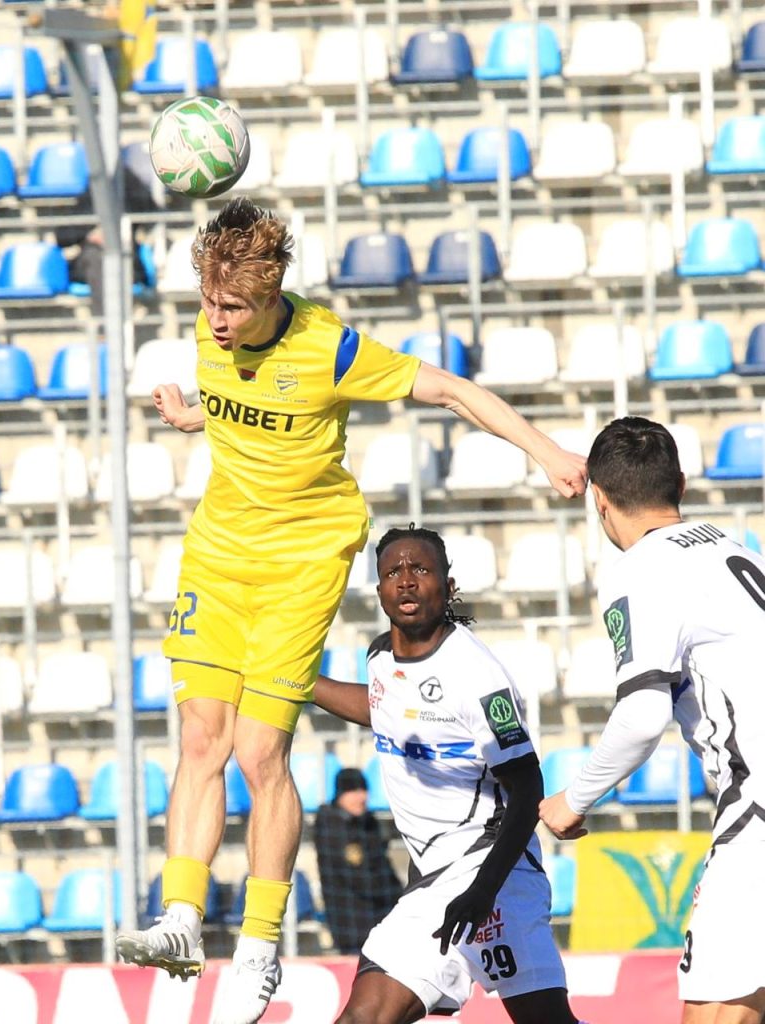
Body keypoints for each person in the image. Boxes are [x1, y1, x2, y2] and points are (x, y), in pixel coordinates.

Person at [114, 197, 587, 1024]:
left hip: (301, 561)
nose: (217, 321)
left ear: (272, 296)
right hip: (218, 553)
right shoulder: (210, 329)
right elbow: (242, 404)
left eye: (235, 307)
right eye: (210, 303)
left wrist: (547, 451)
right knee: (199, 739)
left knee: (258, 752)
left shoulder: (328, 348)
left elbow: (449, 390)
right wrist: (197, 413)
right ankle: (182, 917)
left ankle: (259, 948)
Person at [539, 416, 765, 1024]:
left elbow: (641, 717)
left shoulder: (640, 571)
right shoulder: (736, 549)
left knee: (716, 1011)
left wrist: (573, 800)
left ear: (599, 500)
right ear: (681, 486)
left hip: (759, 806)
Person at [313, 525, 586, 1024]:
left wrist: (484, 888)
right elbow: (384, 709)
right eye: (393, 572)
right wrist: (300, 682)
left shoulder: (476, 675)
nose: (406, 580)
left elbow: (527, 786)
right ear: (379, 590)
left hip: (496, 873)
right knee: (363, 1017)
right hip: (435, 883)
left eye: (420, 569)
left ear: (448, 585)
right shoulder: (379, 656)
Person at [314, 766, 403, 955]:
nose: (361, 797)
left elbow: (385, 870)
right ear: (341, 795)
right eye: (353, 791)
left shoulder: (369, 823)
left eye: (363, 790)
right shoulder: (331, 826)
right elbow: (360, 879)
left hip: (384, 922)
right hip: (352, 927)